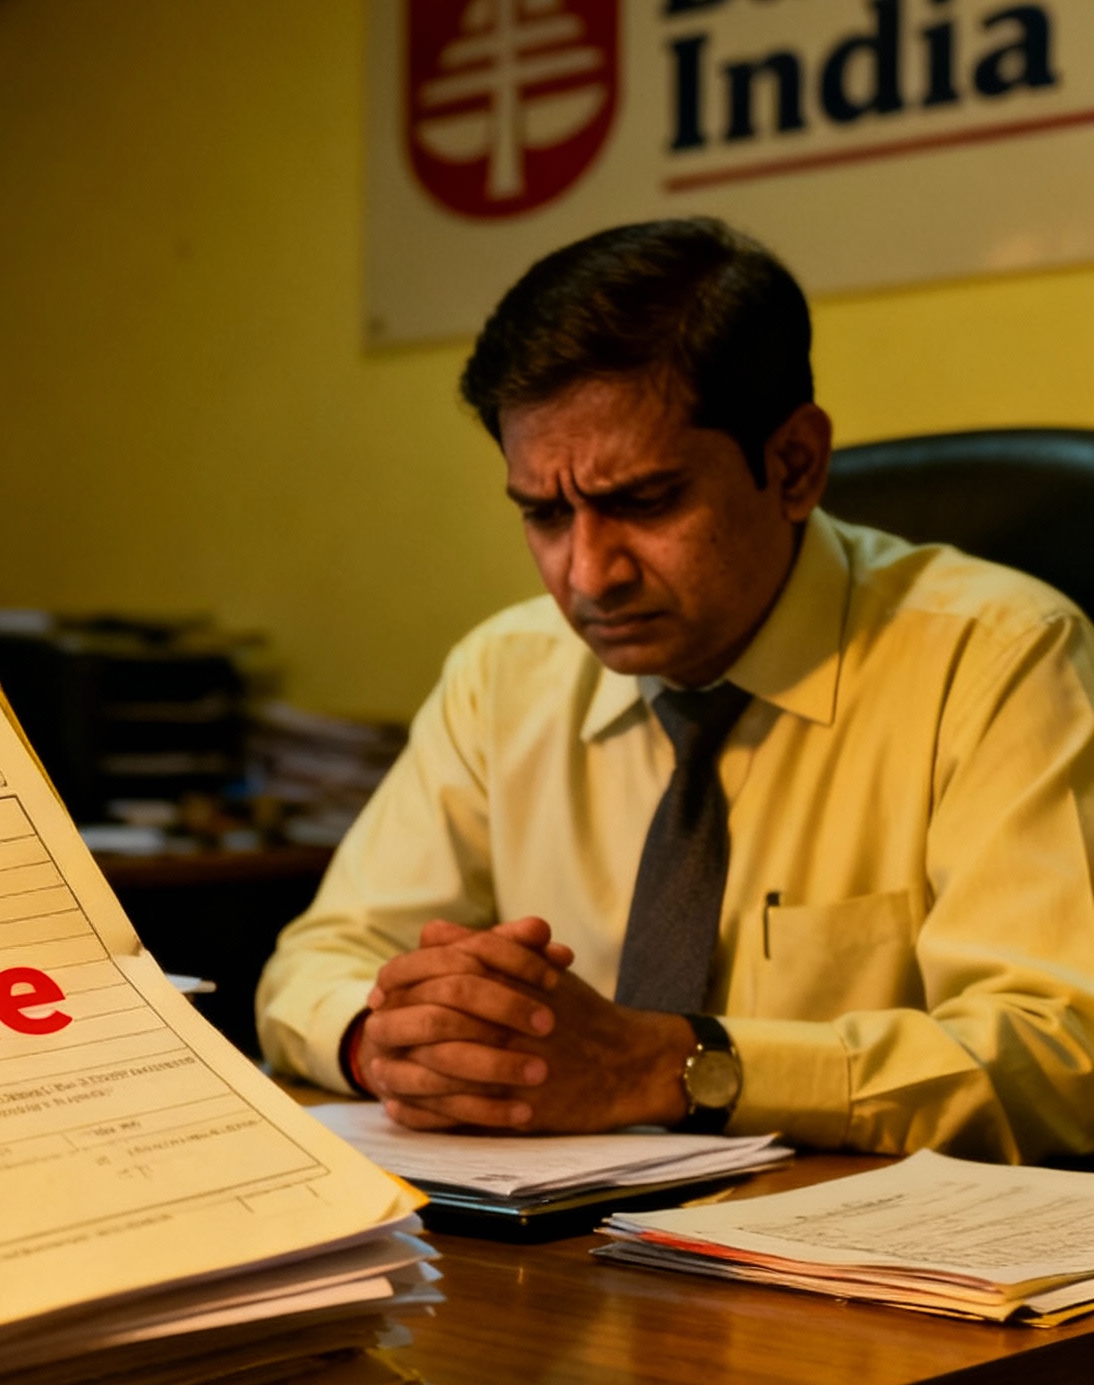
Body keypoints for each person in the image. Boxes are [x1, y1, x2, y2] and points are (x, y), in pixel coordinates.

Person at [257, 217, 1094, 1162]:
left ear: (794, 466)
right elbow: (317, 960)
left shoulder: (998, 658)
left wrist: (666, 1066)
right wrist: (392, 1046)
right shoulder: (506, 672)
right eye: (543, 513)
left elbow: (1064, 1055)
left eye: (644, 502)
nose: (588, 573)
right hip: (556, 1252)